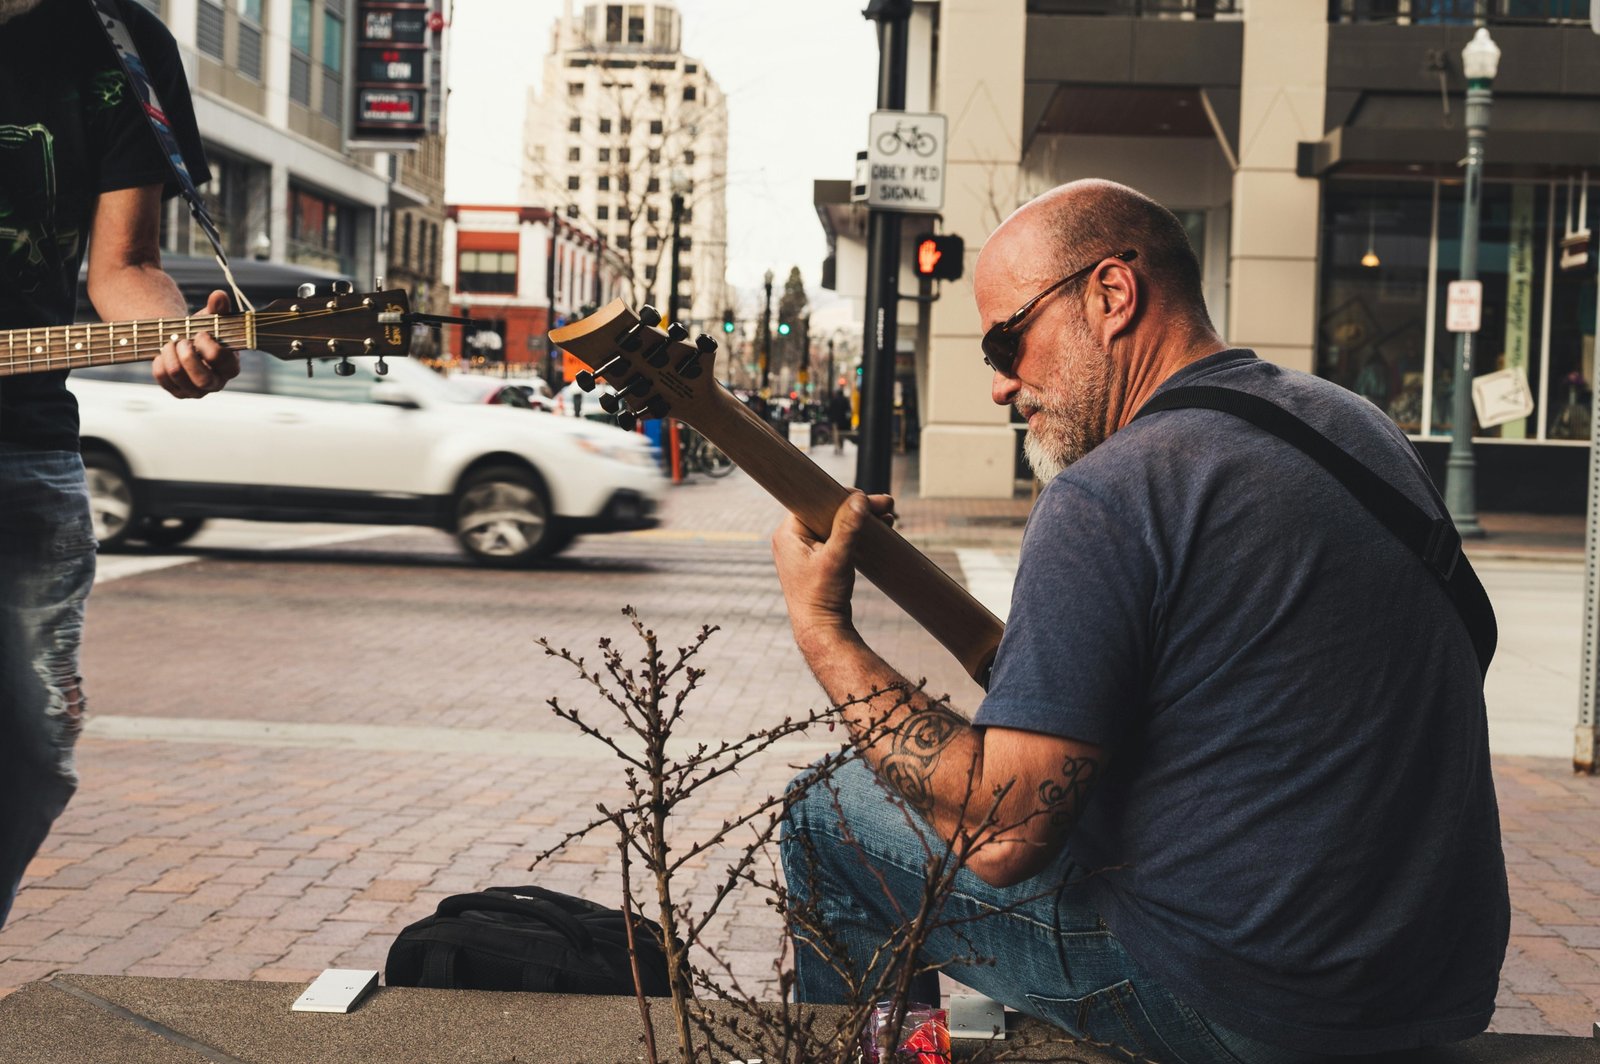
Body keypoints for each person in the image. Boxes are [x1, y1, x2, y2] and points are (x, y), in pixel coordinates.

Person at [771, 180, 1507, 1062]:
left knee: (827, 813)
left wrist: (823, 628)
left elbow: (1004, 838)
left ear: (1112, 296)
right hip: (1432, 985)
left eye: (1010, 340)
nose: (1004, 385)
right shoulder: (1354, 426)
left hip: (1258, 1007)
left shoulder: (1111, 491)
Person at [0, 0, 240, 928]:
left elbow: (122, 265)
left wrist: (181, 334)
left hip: (21, 444)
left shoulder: (122, 45)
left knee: (28, 751)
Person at [827, 387, 851, 454]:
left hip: (835, 420)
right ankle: (841, 446)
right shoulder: (845, 400)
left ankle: (836, 447)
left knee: (836, 433)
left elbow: (829, 410)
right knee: (842, 434)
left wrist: (830, 419)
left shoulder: (834, 400)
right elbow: (848, 410)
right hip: (843, 420)